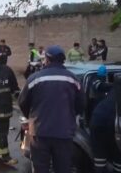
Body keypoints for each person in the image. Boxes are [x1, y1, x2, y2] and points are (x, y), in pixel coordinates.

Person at [18, 45, 84, 173]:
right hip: (64, 133)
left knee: (40, 168)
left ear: (47, 60)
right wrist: (70, 116)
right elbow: (81, 103)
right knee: (63, 168)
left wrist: (31, 117)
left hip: (40, 132)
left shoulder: (35, 79)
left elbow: (22, 102)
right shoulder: (73, 79)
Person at [90, 66, 121, 173]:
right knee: (118, 152)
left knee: (99, 154)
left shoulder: (109, 86)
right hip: (113, 122)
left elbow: (97, 85)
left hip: (97, 119)